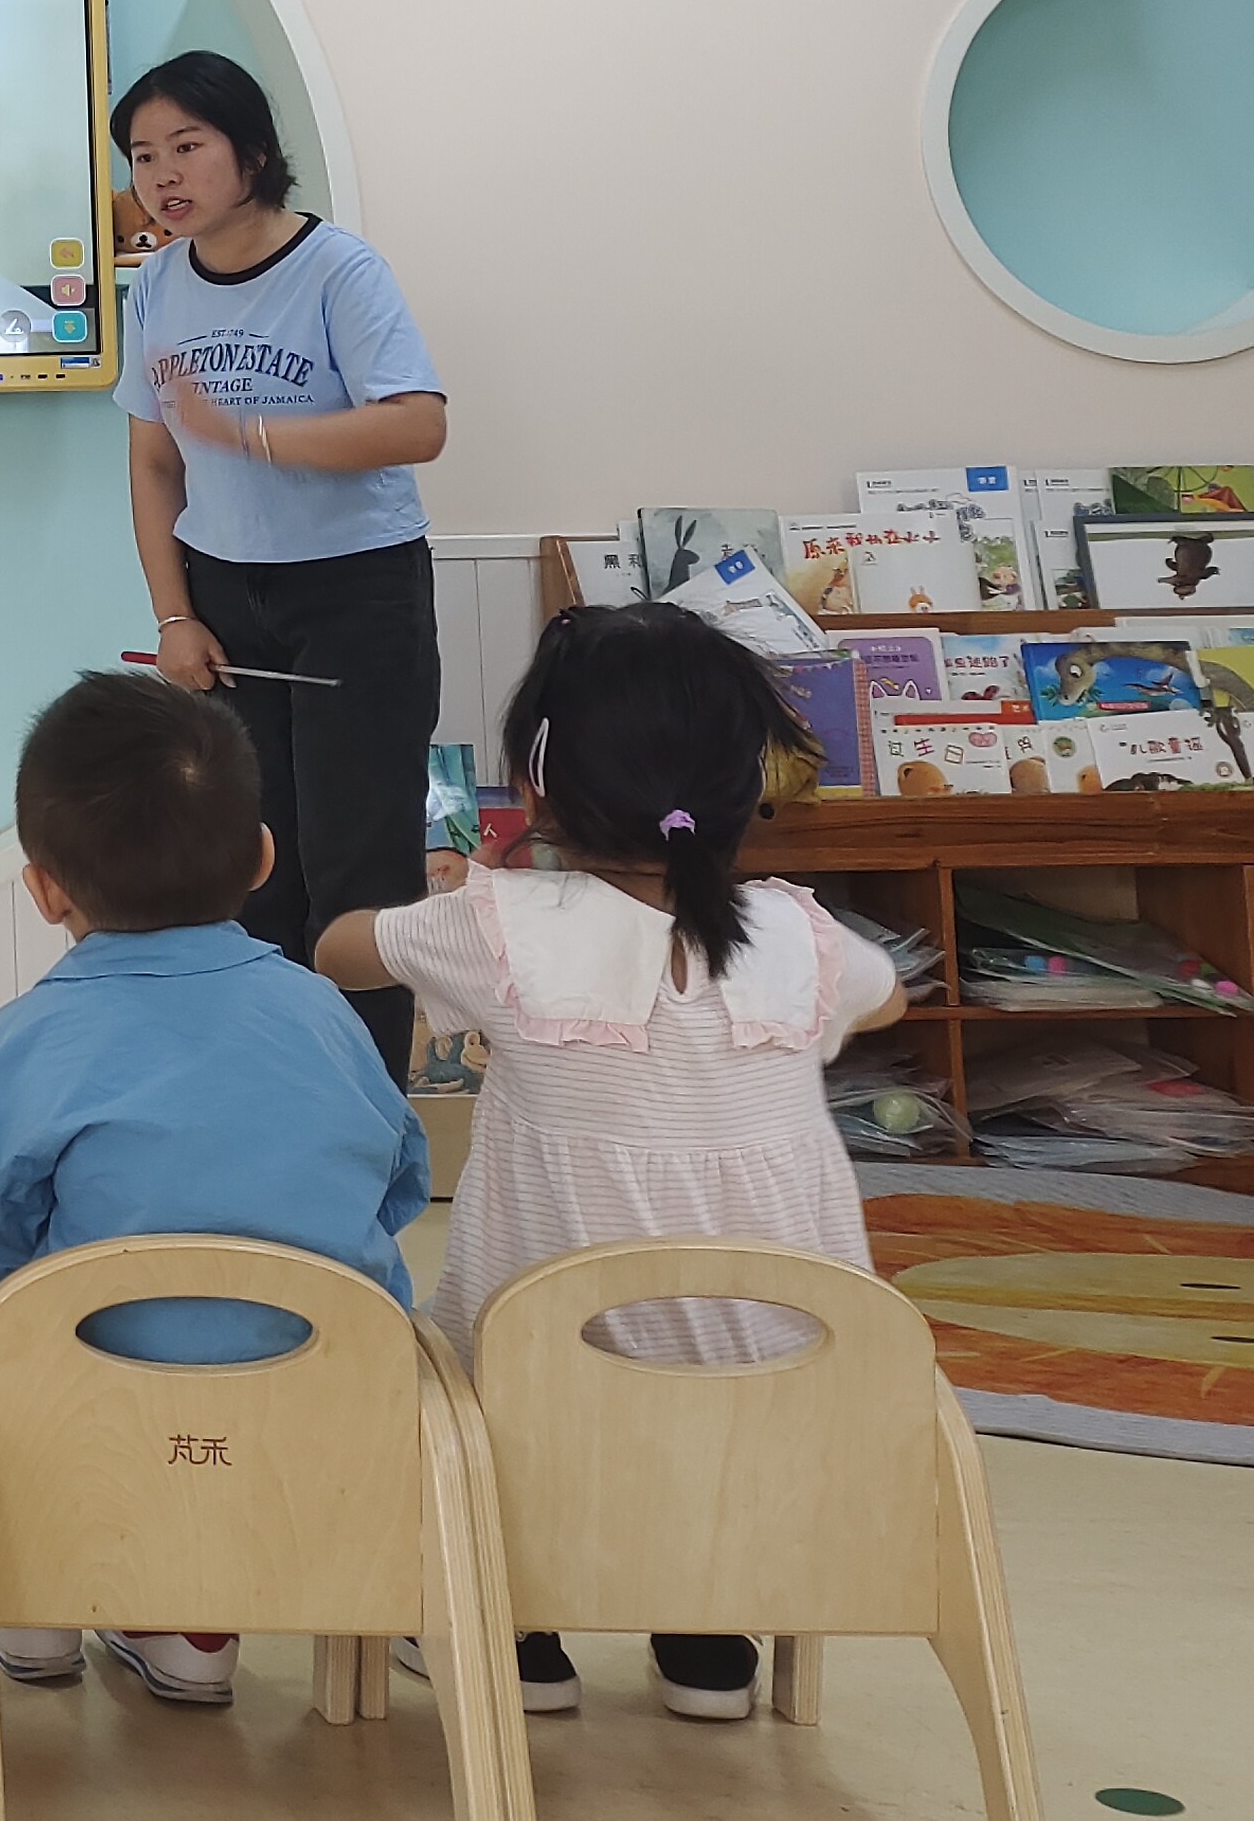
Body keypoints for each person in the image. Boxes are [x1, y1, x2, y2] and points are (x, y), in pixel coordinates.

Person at [316, 602, 904, 1725]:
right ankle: (704, 1628)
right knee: (700, 1330)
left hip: (546, 1402)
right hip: (784, 1414)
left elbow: (339, 949)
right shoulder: (801, 938)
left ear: (537, 784)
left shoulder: (500, 925)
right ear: (746, 785)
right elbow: (889, 997)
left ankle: (517, 1626)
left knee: (427, 1339)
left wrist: (465, 897)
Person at [0, 671, 430, 1711]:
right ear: (261, 856)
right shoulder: (325, 1015)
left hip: (89, 1412)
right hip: (325, 1413)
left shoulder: (34, 1036)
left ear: (44, 889)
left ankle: (33, 1591)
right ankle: (195, 1622)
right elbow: (398, 1184)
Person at [114, 48, 448, 1070]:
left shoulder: (338, 269)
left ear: (253, 151)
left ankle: (365, 1112)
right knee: (250, 867)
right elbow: (153, 463)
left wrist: (256, 434)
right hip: (223, 594)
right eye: (142, 156)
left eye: (186, 147)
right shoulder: (156, 286)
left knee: (358, 873)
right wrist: (175, 617)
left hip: (356, 591)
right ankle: (274, 1095)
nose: (162, 176)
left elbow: (417, 425)